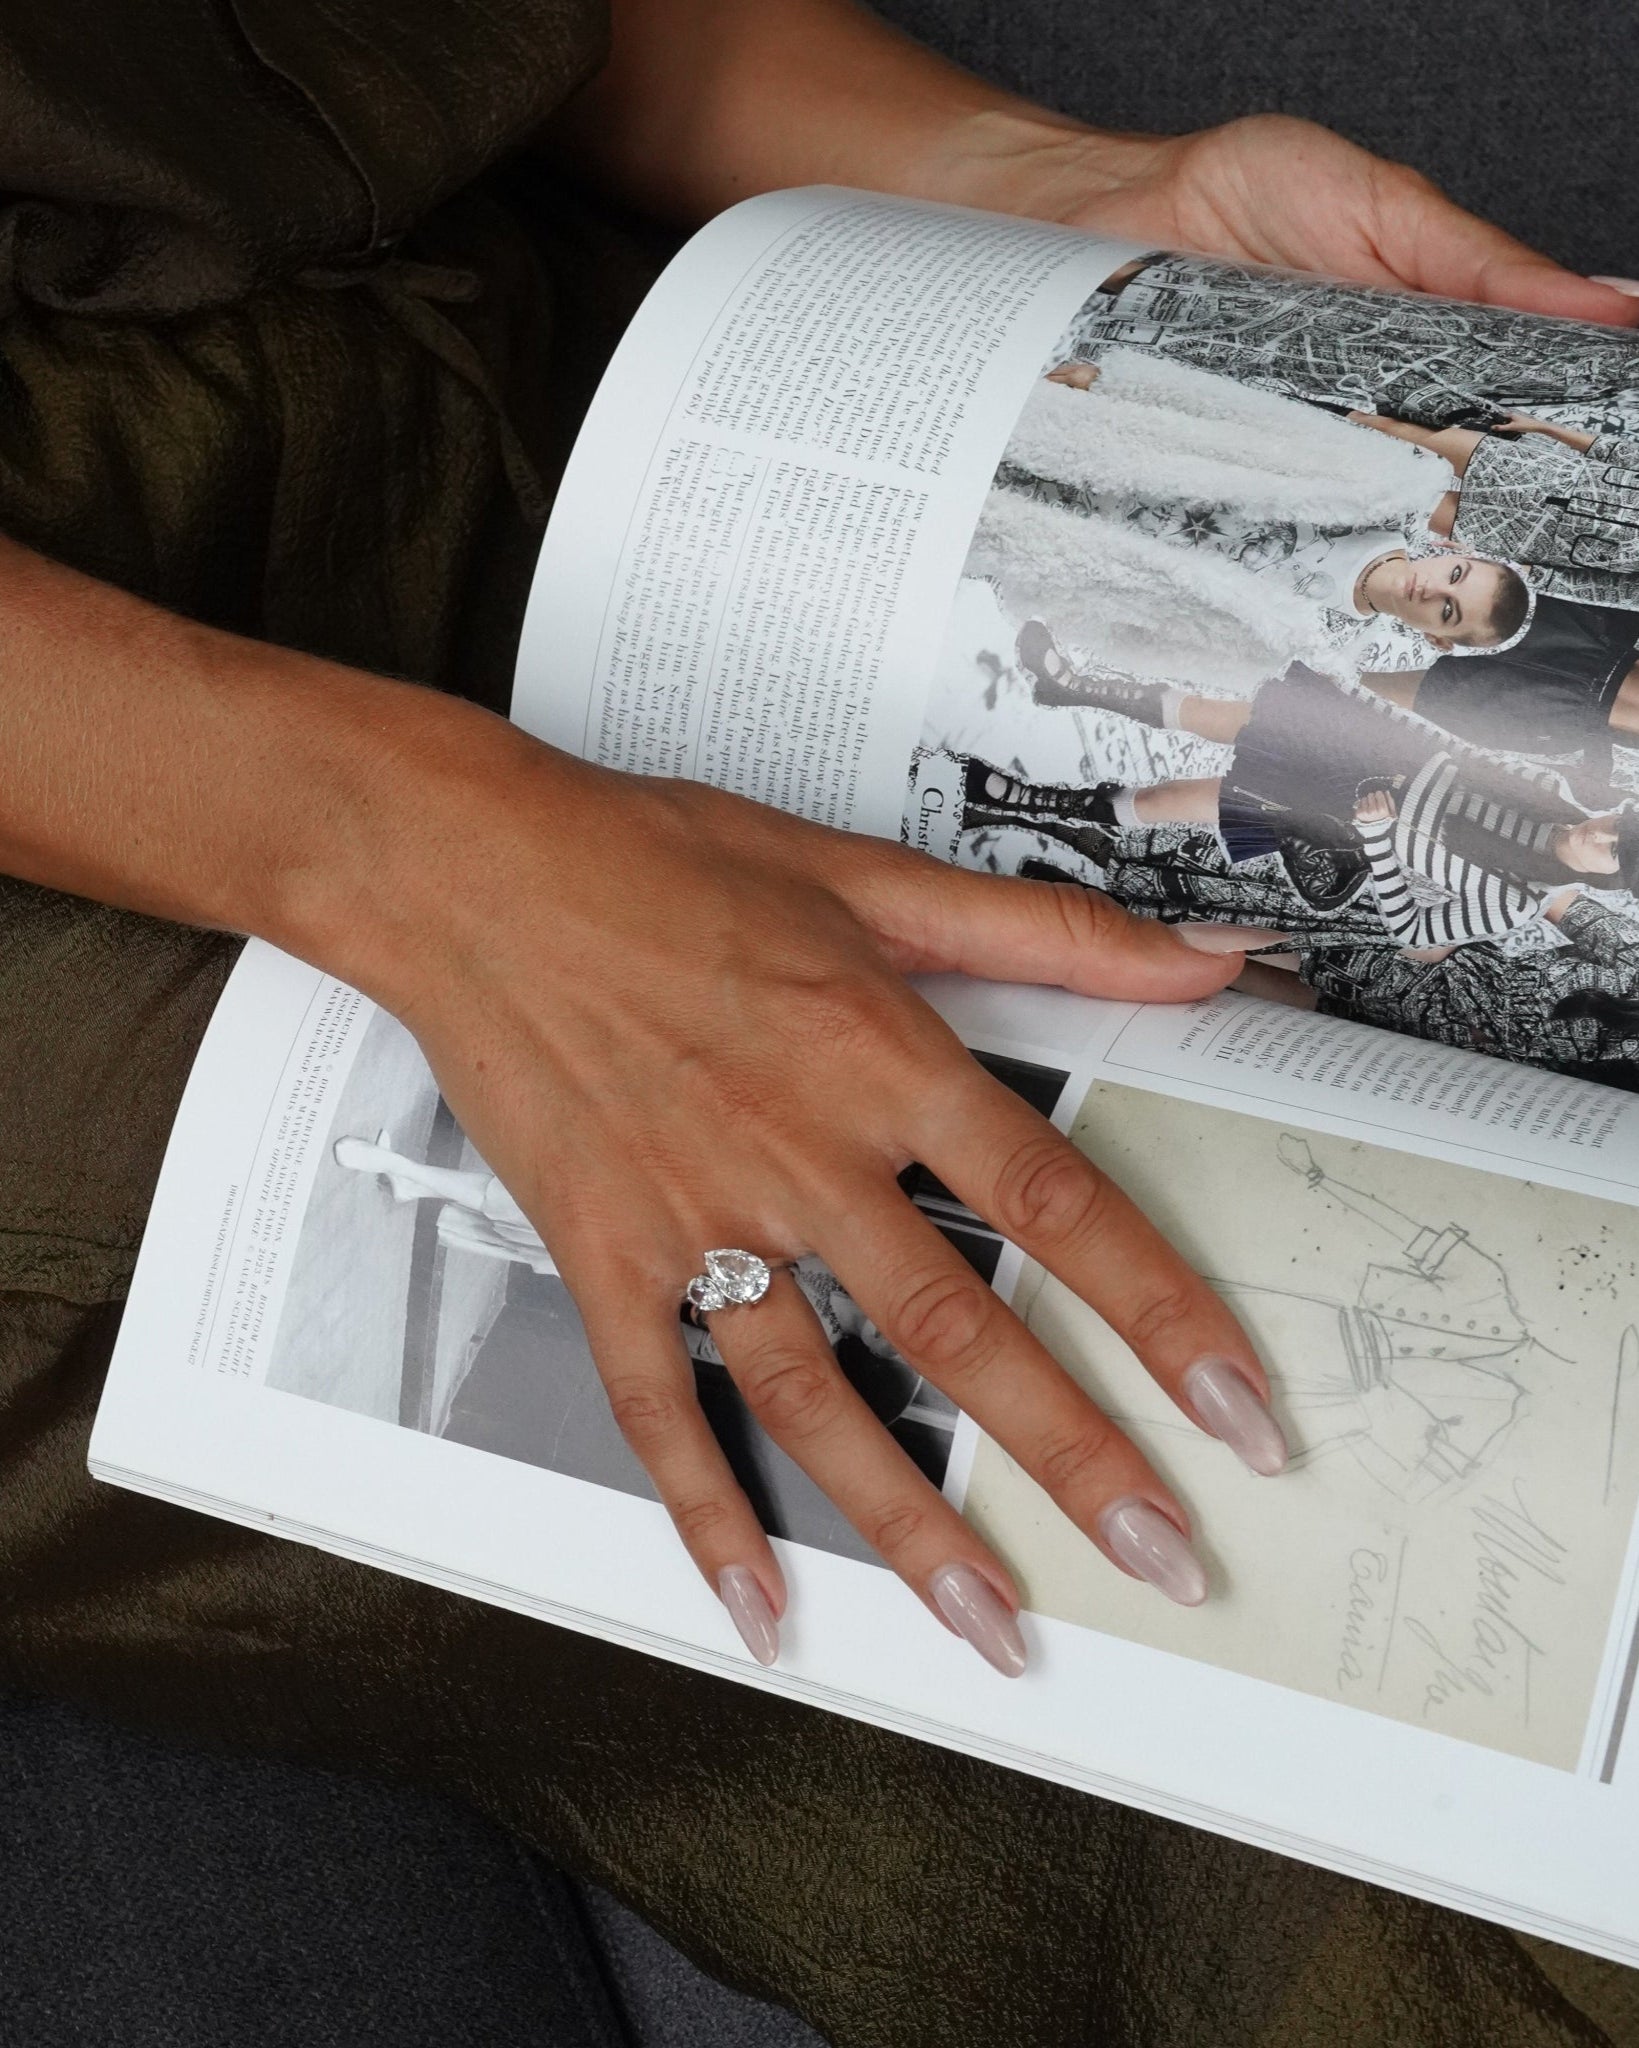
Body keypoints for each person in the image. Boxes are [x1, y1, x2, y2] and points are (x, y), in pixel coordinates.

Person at [5, 3, 1639, 2043]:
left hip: (586, 399)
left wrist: (1028, 188)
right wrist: (411, 850)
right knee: (1312, 1555)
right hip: (64, 847)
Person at [965, 661, 1639, 947]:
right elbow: (1453, 749)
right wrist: (1363, 707)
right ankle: (1071, 686)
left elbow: (1410, 932)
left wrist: (1377, 836)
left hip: (1338, 819)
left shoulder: (1514, 899)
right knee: (1221, 715)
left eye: (1613, 852)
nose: (1601, 836)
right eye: (1618, 826)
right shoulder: (1550, 794)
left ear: (1605, 879)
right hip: (1378, 754)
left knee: (1178, 799)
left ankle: (1030, 803)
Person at [970, 353, 1532, 690]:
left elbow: (1143, 638)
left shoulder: (1307, 646)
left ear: (1435, 636)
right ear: (1456, 550)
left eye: (1447, 610)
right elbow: (1256, 418)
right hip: (1095, 446)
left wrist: (1038, 584)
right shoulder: (1383, 489)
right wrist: (1113, 384)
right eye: (1455, 575)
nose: (1432, 587)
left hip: (1041, 535)